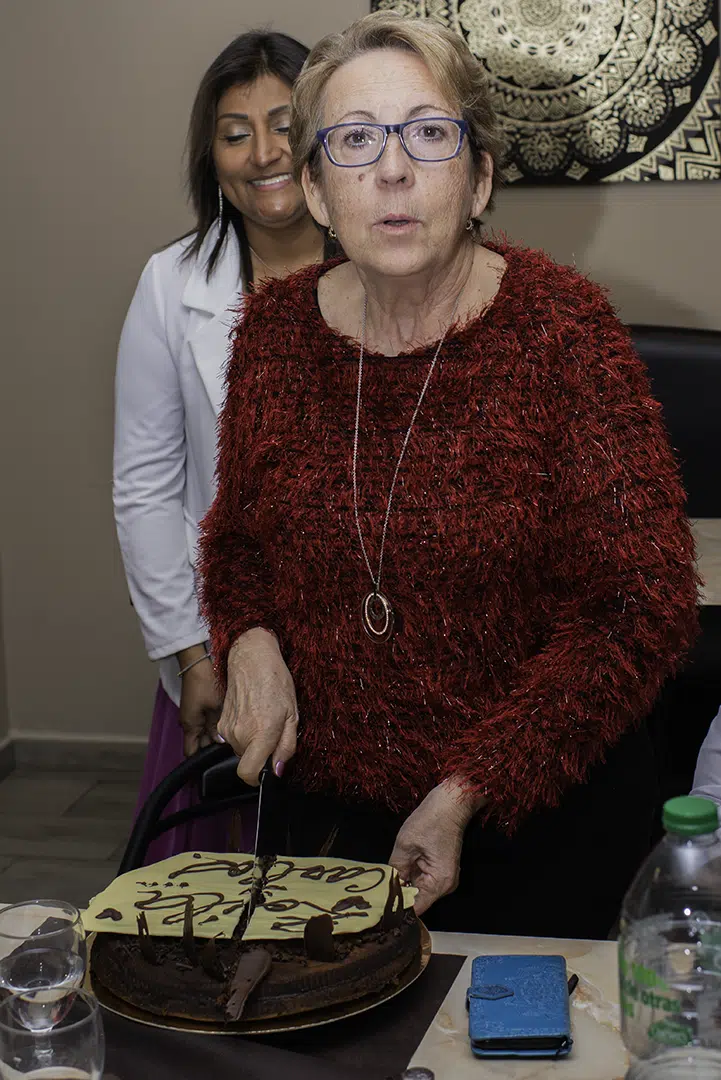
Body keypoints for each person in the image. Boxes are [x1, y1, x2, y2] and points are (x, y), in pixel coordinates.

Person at [198, 12, 699, 937]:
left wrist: (470, 786)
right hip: (330, 828)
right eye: (355, 140)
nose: (392, 170)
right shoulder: (272, 335)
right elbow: (236, 548)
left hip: (540, 827)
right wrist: (250, 640)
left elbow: (640, 607)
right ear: (315, 190)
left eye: (428, 134)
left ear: (479, 179)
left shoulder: (562, 332)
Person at [114, 30, 330, 862]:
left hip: (371, 632)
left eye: (285, 125)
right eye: (235, 134)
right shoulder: (172, 284)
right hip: (225, 634)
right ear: (211, 157)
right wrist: (191, 652)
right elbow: (145, 486)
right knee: (228, 883)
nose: (264, 153)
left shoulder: (390, 264)